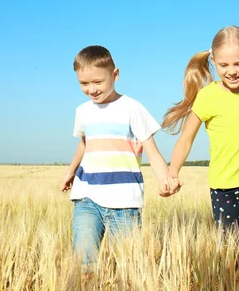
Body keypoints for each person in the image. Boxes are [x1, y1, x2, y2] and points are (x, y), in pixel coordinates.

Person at [60, 45, 173, 268]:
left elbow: (150, 148)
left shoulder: (132, 108)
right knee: (84, 260)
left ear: (115, 75)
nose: (91, 89)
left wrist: (164, 178)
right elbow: (85, 143)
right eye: (84, 83)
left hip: (124, 200)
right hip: (86, 196)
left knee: (128, 264)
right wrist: (70, 172)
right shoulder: (83, 111)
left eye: (98, 82)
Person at [162, 26, 239, 246]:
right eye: (224, 65)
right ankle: (234, 280)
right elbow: (186, 138)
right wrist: (172, 172)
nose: (231, 71)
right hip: (221, 184)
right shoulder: (207, 96)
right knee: (228, 244)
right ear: (213, 61)